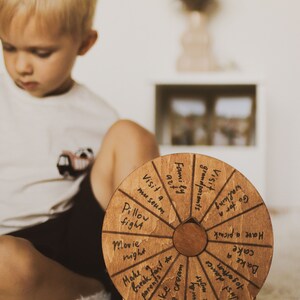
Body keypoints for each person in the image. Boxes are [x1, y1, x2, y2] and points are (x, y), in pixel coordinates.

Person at [0, 0, 159, 299]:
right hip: (14, 247)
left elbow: (114, 186)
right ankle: (95, 292)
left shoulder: (98, 115)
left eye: (41, 52)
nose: (21, 65)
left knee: (132, 135)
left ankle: (141, 280)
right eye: (8, 47)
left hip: (85, 239)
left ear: (84, 43)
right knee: (5, 261)